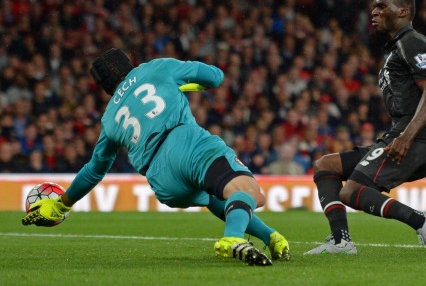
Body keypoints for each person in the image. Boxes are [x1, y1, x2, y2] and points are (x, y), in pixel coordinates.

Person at [21, 48, 290, 266]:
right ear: (128, 63)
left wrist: (62, 205)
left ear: (105, 87)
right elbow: (216, 77)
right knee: (250, 192)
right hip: (183, 142)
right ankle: (232, 239)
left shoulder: (110, 118)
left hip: (163, 182)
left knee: (214, 196)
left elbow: (94, 170)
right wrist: (191, 86)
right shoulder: (156, 68)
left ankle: (271, 237)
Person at [305, 0, 426, 257]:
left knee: (351, 193)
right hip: (400, 134)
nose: (374, 11)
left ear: (403, 11)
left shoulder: (412, 41)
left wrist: (406, 136)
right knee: (326, 166)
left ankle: (421, 221)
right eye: (374, 6)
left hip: (416, 139)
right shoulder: (395, 48)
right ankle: (340, 241)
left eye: (382, 6)